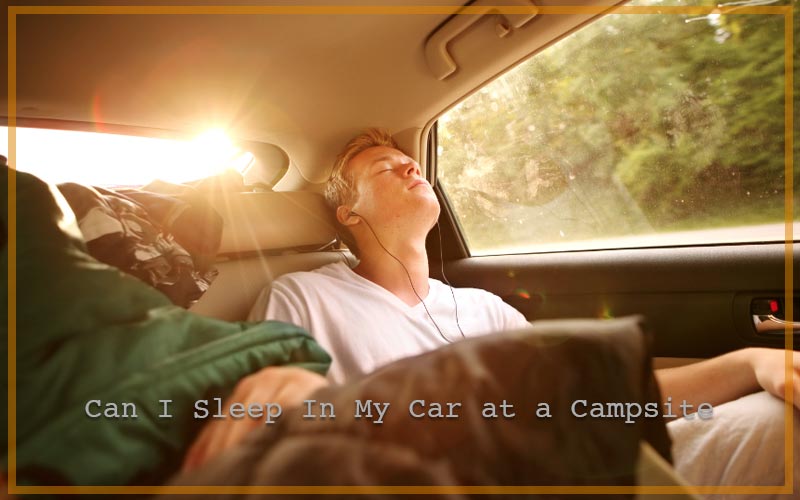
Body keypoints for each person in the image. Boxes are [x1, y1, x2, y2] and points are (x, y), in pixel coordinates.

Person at [244, 128, 800, 494]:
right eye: (387, 168)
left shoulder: (484, 308)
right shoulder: (302, 297)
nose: (412, 168)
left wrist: (749, 363)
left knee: (779, 423)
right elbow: (273, 428)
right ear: (348, 212)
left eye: (412, 161)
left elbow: (596, 395)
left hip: (557, 469)